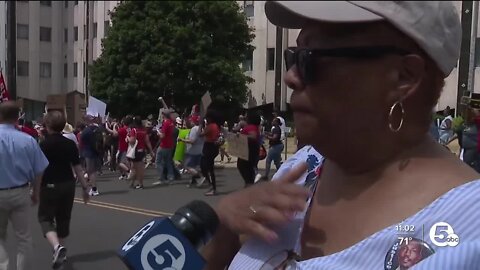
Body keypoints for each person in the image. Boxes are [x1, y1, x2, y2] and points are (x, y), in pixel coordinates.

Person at [202, 2, 480, 269]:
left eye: (312, 59)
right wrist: (224, 230)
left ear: (404, 77)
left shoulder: (468, 234)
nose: (291, 76)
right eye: (293, 56)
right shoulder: (303, 167)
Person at [0, 101, 49, 270]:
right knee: (24, 238)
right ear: (17, 118)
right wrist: (36, 191)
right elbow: (39, 169)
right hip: (20, 191)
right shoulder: (28, 140)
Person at [38, 111, 90, 269]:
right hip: (68, 183)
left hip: (50, 184)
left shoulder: (44, 144)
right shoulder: (70, 144)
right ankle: (62, 252)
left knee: (45, 218)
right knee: (64, 217)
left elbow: (39, 169)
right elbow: (78, 168)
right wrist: (85, 188)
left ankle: (56, 247)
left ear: (47, 126)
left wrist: (35, 188)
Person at [198, 110, 222, 196]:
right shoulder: (215, 126)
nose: (206, 119)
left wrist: (200, 124)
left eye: (207, 118)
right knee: (208, 167)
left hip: (209, 147)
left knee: (206, 167)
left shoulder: (210, 126)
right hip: (213, 147)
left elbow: (199, 134)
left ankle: (213, 187)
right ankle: (212, 186)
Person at [126, 116, 153, 189]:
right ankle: (132, 183)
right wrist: (151, 151)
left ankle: (140, 183)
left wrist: (128, 138)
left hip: (135, 151)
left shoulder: (134, 130)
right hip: (142, 150)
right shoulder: (144, 130)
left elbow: (132, 141)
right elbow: (147, 141)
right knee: (136, 167)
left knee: (137, 168)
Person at [236, 111, 261, 188]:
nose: (245, 117)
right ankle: (249, 187)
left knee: (245, 170)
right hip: (250, 152)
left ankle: (249, 190)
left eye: (246, 116)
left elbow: (253, 136)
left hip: (248, 153)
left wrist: (240, 135)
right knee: (248, 173)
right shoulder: (254, 126)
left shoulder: (251, 127)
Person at [105, 116, 132, 180]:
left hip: (122, 148)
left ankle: (128, 171)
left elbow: (115, 134)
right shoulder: (129, 129)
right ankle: (123, 174)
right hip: (127, 147)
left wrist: (112, 127)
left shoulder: (123, 129)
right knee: (125, 161)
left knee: (119, 162)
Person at [180, 117, 204, 187]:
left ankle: (199, 177)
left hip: (193, 151)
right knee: (194, 166)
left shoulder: (194, 129)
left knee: (187, 166)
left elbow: (192, 141)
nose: (190, 122)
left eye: (191, 121)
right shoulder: (200, 128)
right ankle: (193, 181)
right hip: (199, 150)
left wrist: (182, 140)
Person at [80, 117, 101, 196]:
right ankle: (93, 187)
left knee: (91, 171)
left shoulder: (86, 131)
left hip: (88, 152)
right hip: (96, 151)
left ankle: (94, 189)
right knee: (93, 171)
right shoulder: (97, 129)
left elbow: (82, 140)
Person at [154, 110, 176, 184]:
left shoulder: (166, 123)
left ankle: (161, 178)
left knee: (158, 162)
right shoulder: (171, 122)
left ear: (163, 115)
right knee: (168, 161)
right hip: (170, 144)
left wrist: (158, 133)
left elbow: (162, 136)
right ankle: (171, 177)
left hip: (164, 145)